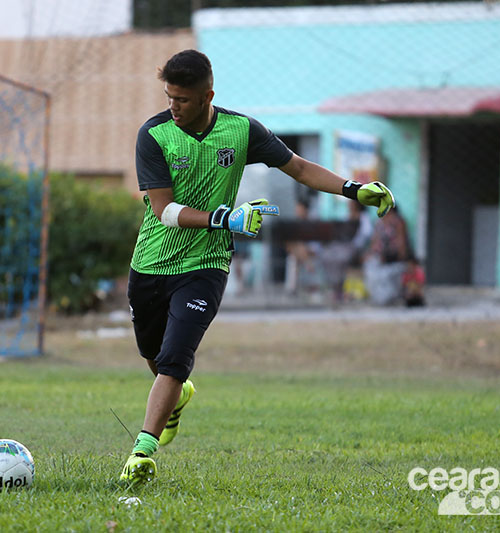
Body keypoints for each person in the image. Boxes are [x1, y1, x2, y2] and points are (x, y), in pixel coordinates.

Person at [121, 49, 395, 487]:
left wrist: (352, 189)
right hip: (151, 263)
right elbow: (163, 210)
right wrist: (224, 217)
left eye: (184, 99)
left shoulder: (241, 130)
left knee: (175, 358)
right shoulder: (154, 135)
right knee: (154, 357)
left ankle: (142, 452)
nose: (173, 106)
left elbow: (299, 168)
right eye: (169, 96)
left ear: (208, 95)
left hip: (205, 264)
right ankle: (177, 397)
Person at [363, 206, 409, 305]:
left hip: (392, 257)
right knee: (371, 269)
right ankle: (378, 298)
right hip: (379, 257)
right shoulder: (379, 222)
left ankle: (390, 298)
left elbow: (402, 242)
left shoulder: (398, 221)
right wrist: (370, 253)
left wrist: (400, 256)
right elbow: (374, 241)